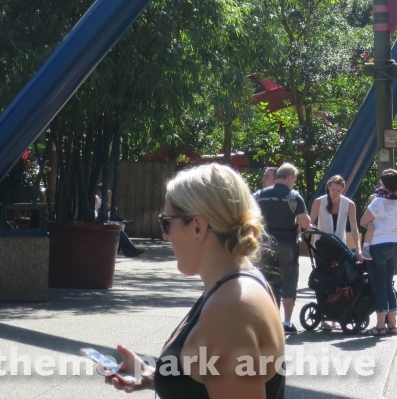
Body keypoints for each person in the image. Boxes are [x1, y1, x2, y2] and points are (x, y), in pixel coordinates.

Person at [105, 164, 285, 397]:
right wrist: (153, 377)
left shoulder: (230, 309)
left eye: (166, 222)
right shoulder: (239, 287)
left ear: (198, 227)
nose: (165, 236)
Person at [254, 163, 311, 333]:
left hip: (265, 243)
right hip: (287, 244)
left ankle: (269, 322)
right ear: (289, 177)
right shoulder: (293, 197)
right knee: (288, 283)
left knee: (267, 282)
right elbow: (304, 223)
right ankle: (286, 323)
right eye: (294, 179)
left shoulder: (259, 195)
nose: (294, 182)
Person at [359, 169, 397, 336]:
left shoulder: (378, 202)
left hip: (378, 245)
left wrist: (372, 224)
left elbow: (363, 221)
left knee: (378, 285)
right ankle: (392, 324)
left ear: (385, 185)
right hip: (395, 244)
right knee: (388, 284)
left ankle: (380, 325)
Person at [309, 174, 361, 249]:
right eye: (333, 190)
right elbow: (310, 222)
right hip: (321, 245)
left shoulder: (350, 204)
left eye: (338, 190)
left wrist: (358, 248)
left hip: (339, 246)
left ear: (343, 189)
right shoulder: (319, 202)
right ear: (328, 187)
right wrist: (310, 226)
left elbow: (354, 227)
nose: (335, 193)